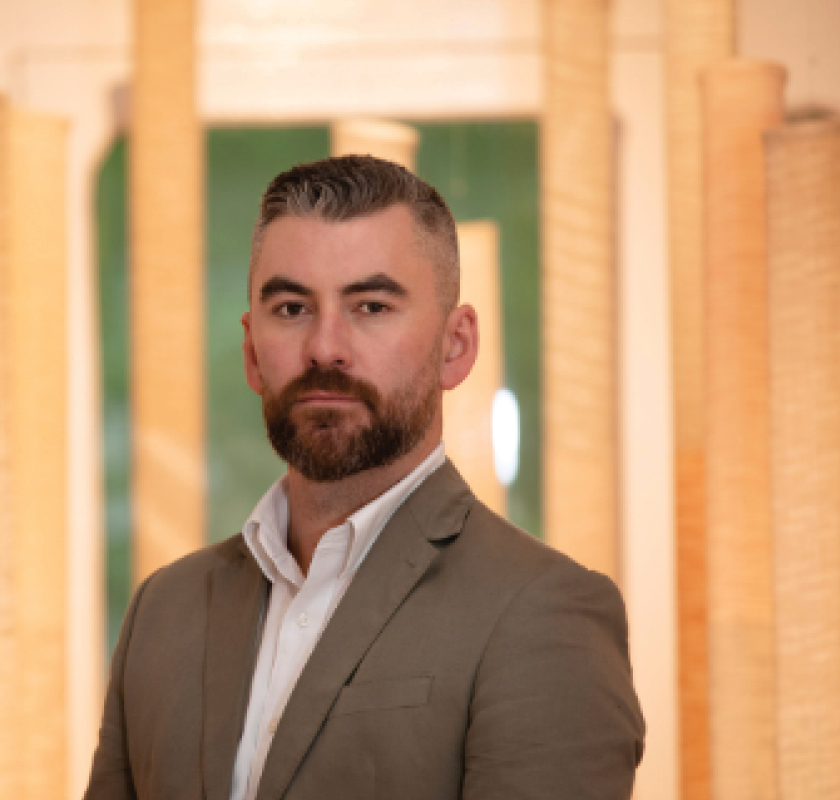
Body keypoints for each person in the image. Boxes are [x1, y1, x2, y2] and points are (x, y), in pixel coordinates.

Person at [83, 155, 645, 800]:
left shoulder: (545, 611)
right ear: (251, 352)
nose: (325, 347)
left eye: (371, 306)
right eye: (292, 307)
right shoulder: (165, 608)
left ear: (455, 346)